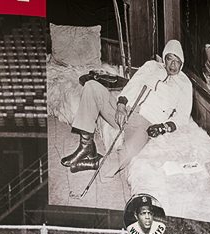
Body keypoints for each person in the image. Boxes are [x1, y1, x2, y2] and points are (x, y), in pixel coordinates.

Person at [61, 40, 193, 173]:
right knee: (91, 86)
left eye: (177, 61)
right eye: (170, 59)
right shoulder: (152, 66)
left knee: (129, 151)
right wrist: (121, 105)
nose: (173, 64)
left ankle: (96, 163)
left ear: (182, 63)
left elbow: (183, 116)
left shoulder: (184, 84)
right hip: (126, 112)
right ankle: (86, 146)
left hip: (145, 124)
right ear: (164, 58)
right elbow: (132, 84)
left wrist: (163, 127)